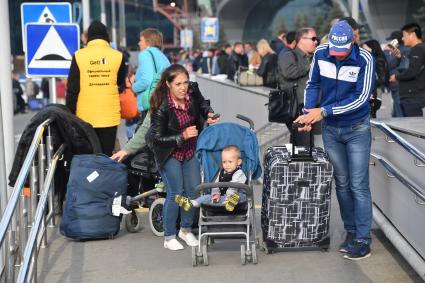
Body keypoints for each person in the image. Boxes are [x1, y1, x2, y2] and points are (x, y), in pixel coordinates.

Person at [295, 20, 375, 260]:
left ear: (353, 42)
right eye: (335, 52)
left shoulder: (365, 60)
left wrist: (324, 111)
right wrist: (309, 111)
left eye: (343, 53)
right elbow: (313, 84)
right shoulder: (321, 53)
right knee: (341, 182)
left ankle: (363, 239)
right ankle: (350, 232)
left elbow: (361, 99)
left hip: (357, 129)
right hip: (331, 130)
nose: (338, 57)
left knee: (358, 185)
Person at [146, 64, 219, 251]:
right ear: (168, 84)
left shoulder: (192, 91)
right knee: (176, 192)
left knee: (194, 192)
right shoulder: (161, 106)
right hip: (168, 152)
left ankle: (185, 230)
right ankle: (169, 235)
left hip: (190, 150)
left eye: (185, 82)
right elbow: (156, 138)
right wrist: (182, 136)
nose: (183, 87)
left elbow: (202, 104)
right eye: (178, 83)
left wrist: (208, 114)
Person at [66, 20, 126, 156]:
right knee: (105, 155)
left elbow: (72, 88)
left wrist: (69, 113)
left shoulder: (79, 56)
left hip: (84, 116)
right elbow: (120, 81)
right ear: (106, 36)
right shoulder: (117, 56)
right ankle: (105, 177)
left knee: (88, 155)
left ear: (88, 37)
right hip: (109, 116)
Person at [175, 145, 247, 212]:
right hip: (222, 198)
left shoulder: (239, 173)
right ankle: (192, 203)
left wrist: (228, 197)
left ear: (238, 162)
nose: (227, 164)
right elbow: (216, 185)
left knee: (237, 196)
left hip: (236, 197)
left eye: (230, 162)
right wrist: (215, 194)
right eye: (224, 162)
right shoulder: (221, 173)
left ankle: (230, 203)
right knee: (206, 197)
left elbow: (233, 187)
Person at [278, 27, 318, 146]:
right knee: (303, 144)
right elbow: (289, 73)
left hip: (310, 108)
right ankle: (300, 164)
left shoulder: (312, 57)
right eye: (313, 39)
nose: (316, 42)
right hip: (296, 107)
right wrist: (310, 66)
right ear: (301, 40)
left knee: (307, 145)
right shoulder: (288, 55)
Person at [132, 28, 170, 120]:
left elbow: (147, 80)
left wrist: (133, 87)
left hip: (149, 103)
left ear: (148, 42)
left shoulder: (145, 54)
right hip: (162, 101)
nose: (139, 43)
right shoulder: (163, 56)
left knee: (141, 133)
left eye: (141, 40)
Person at [390, 23, 425, 117]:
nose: (402, 39)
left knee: (412, 128)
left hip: (413, 96)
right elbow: (414, 66)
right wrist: (401, 57)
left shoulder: (418, 49)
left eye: (404, 36)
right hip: (413, 95)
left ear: (412, 34)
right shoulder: (417, 49)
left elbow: (412, 71)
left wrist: (396, 77)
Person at [384, 30, 410, 117]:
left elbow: (389, 64)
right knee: (397, 104)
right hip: (399, 81)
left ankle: (400, 123)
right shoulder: (405, 49)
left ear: (395, 41)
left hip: (397, 81)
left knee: (399, 106)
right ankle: (395, 118)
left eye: (391, 40)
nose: (389, 42)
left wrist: (387, 51)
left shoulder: (399, 51)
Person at [362, 39, 390, 118]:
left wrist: (368, 82)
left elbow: (382, 78)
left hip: (374, 92)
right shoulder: (374, 58)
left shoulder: (377, 60)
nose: (363, 50)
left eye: (365, 48)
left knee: (371, 112)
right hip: (373, 91)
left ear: (372, 48)